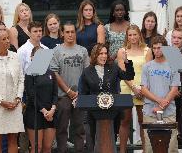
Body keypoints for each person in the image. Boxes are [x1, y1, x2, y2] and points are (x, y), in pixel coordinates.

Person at [79, 43, 135, 148]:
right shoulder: (87, 71)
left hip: (113, 113)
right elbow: (83, 93)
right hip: (94, 114)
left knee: (110, 140)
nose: (104, 56)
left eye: (105, 53)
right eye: (101, 53)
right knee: (95, 141)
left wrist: (126, 62)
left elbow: (129, 76)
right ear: (95, 55)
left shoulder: (113, 67)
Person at [50, 21, 90, 153]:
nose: (70, 34)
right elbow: (54, 73)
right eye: (67, 32)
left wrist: (80, 92)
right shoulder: (56, 51)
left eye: (73, 32)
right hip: (63, 96)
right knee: (61, 129)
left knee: (79, 128)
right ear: (62, 33)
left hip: (80, 95)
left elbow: (87, 73)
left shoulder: (83, 50)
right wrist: (68, 91)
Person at [141, 36, 180, 153]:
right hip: (150, 111)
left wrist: (162, 106)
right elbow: (144, 89)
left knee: (171, 147)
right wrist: (159, 101)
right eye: (154, 48)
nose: (157, 50)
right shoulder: (147, 66)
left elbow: (174, 89)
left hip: (169, 112)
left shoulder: (173, 64)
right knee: (149, 147)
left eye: (160, 48)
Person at [117, 25, 152, 153]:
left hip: (143, 89)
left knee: (143, 121)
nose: (132, 37)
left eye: (135, 34)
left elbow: (149, 72)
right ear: (127, 36)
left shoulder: (147, 51)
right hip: (126, 88)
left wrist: (142, 89)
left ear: (139, 35)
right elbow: (123, 72)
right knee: (125, 120)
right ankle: (122, 150)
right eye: (130, 35)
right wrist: (133, 88)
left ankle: (145, 150)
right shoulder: (122, 51)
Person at [24, 46, 58, 153]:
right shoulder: (29, 74)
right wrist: (44, 111)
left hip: (50, 114)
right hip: (35, 114)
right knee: (36, 148)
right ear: (32, 57)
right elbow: (31, 95)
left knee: (47, 147)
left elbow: (55, 94)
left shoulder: (51, 73)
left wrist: (52, 109)